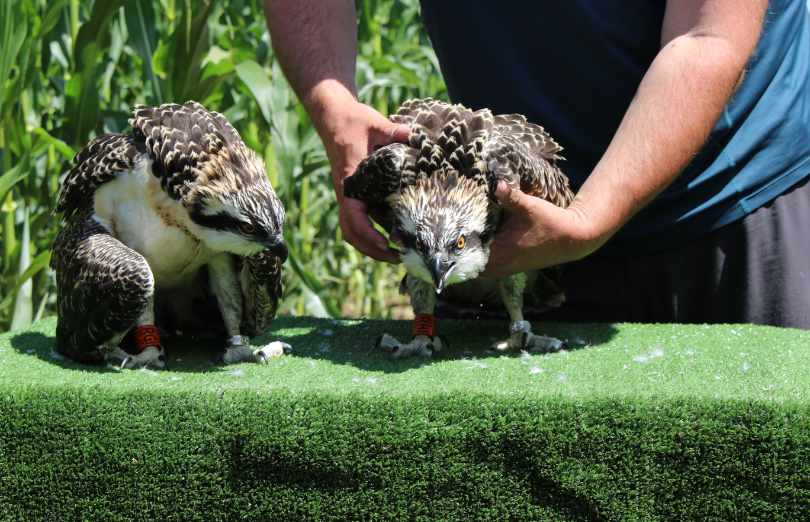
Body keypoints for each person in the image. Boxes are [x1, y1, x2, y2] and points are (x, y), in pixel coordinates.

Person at [264, 0, 810, 329]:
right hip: (502, 219)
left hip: (729, 204)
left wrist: (590, 218)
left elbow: (708, 36)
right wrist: (333, 102)